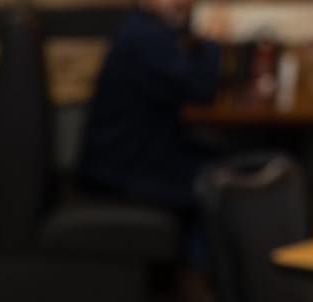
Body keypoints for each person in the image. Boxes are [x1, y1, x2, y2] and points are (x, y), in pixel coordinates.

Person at [77, 0, 223, 212]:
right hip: (121, 172)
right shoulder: (144, 36)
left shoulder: (148, 27)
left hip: (131, 160)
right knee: (220, 185)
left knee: (219, 160)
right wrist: (212, 40)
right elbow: (201, 90)